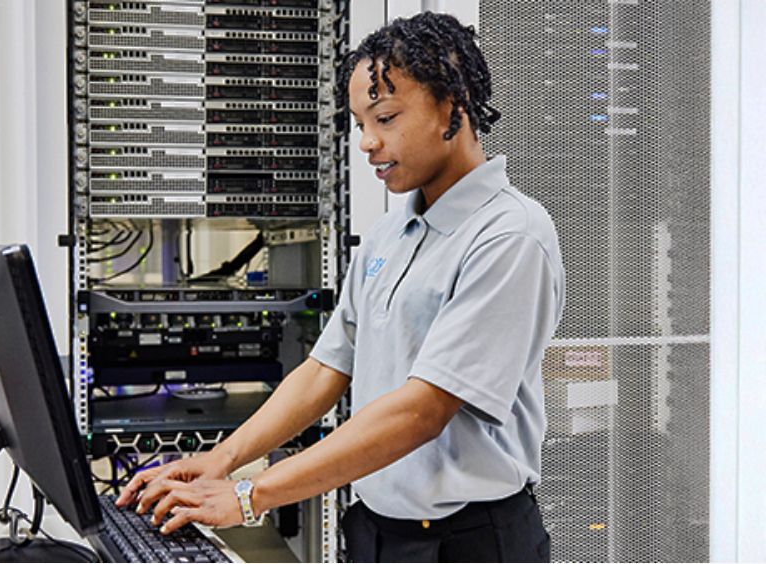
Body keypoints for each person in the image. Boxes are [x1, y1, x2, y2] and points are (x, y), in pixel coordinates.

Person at [116, 11, 565, 562]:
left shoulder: (510, 236)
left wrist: (250, 497)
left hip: (470, 543)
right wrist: (224, 459)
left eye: (386, 118)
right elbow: (325, 369)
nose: (368, 142)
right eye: (359, 124)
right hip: (378, 532)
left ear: (453, 106)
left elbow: (422, 411)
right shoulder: (390, 234)